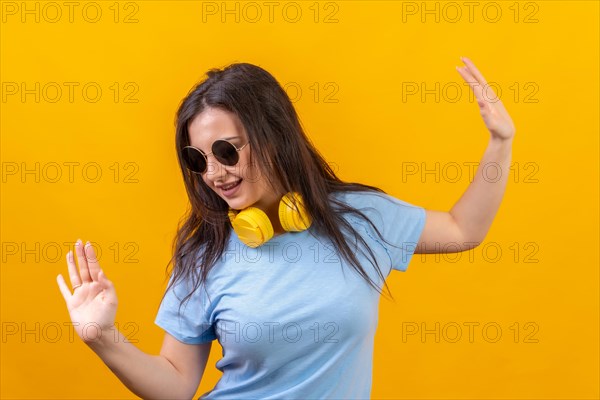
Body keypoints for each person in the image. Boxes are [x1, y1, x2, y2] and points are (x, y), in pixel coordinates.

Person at [57, 57, 515, 399]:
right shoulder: (205, 253)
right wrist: (103, 338)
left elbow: (462, 230)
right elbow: (176, 384)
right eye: (199, 160)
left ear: (272, 135)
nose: (214, 173)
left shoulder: (359, 219)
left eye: (227, 150)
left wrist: (500, 142)